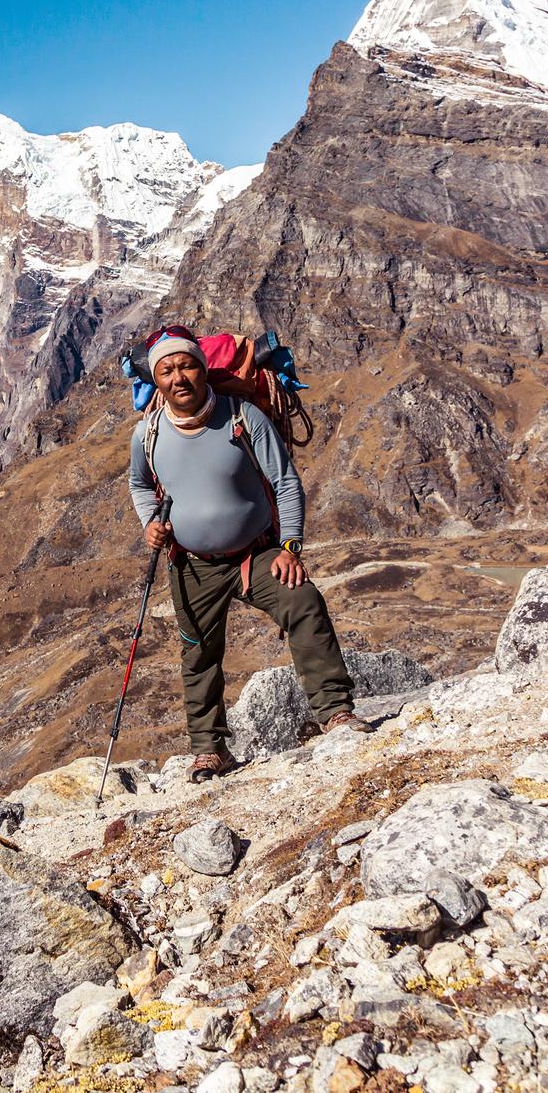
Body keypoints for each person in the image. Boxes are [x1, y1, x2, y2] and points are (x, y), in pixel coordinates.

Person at [127, 326, 368, 778]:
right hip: (193, 563)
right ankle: (209, 748)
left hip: (258, 554)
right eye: (167, 370)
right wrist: (149, 524)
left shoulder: (242, 417)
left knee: (303, 602)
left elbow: (286, 482)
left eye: (187, 365)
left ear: (203, 370)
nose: (179, 377)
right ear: (157, 381)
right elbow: (139, 484)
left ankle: (335, 713)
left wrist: (291, 546)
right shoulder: (148, 434)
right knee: (198, 653)